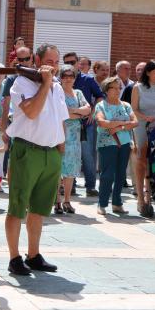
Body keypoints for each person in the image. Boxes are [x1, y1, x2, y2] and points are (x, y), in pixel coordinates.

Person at [4, 42, 67, 276]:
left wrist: (61, 149)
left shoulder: (58, 88)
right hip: (27, 150)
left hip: (51, 153)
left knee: (40, 208)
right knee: (18, 206)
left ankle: (33, 254)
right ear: (38, 62)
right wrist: (46, 83)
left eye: (56, 62)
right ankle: (14, 257)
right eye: (49, 62)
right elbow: (31, 111)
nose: (53, 66)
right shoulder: (21, 82)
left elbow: (61, 120)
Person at [94, 76, 138, 215]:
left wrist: (118, 127)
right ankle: (102, 204)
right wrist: (124, 123)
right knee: (107, 174)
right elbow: (102, 122)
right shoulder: (101, 105)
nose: (118, 90)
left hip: (124, 144)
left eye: (119, 87)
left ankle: (117, 203)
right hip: (107, 144)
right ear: (106, 90)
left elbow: (135, 122)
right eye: (114, 87)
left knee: (120, 175)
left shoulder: (126, 105)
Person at [63, 52, 104, 197]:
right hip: (66, 127)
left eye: (73, 61)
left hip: (87, 125)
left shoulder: (88, 79)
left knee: (88, 156)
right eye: (66, 61)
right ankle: (70, 187)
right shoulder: (60, 82)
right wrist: (79, 113)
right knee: (69, 156)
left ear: (77, 62)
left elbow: (100, 96)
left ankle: (91, 186)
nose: (70, 64)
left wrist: (92, 113)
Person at [132, 61, 155, 215]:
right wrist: (145, 117)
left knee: (154, 162)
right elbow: (133, 109)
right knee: (141, 161)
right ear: (148, 73)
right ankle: (141, 198)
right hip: (141, 126)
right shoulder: (137, 88)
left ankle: (150, 196)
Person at [58, 64, 90, 214]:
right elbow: (60, 113)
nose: (68, 79)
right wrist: (79, 113)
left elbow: (88, 109)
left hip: (75, 137)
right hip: (61, 135)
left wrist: (74, 111)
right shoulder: (57, 92)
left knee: (70, 170)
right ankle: (57, 201)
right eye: (65, 76)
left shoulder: (78, 93)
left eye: (71, 76)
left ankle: (67, 201)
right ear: (60, 77)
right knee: (58, 170)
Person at [0, 47, 33, 183]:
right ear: (16, 60)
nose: (24, 62)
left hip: (35, 126)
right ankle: (14, 194)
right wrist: (4, 130)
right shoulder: (11, 79)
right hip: (17, 125)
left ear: (32, 58)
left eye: (26, 59)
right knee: (14, 160)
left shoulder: (39, 77)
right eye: (20, 59)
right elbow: (6, 106)